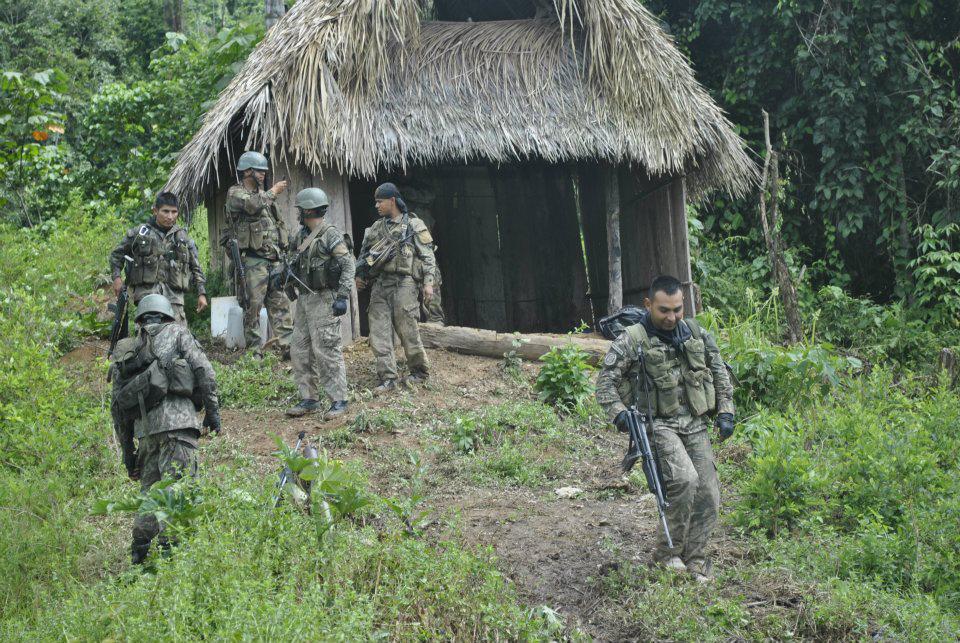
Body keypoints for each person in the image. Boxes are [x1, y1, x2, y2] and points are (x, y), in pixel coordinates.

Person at [595, 275, 735, 582]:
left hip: (695, 424)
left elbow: (720, 374)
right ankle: (667, 556)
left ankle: (695, 559)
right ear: (648, 305)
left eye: (677, 309)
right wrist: (621, 415)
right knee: (684, 481)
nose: (671, 317)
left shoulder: (696, 333)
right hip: (656, 425)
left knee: (709, 492)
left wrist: (726, 412)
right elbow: (605, 386)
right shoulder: (632, 340)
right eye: (663, 310)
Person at [109, 294, 221, 564]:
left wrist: (128, 454)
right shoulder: (178, 333)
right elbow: (205, 371)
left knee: (150, 494)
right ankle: (172, 556)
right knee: (178, 491)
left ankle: (139, 552)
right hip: (180, 428)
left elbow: (118, 409)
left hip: (146, 433)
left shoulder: (129, 348)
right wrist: (213, 414)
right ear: (168, 315)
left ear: (140, 319)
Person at [355, 182, 436, 392]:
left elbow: (428, 257)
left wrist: (428, 284)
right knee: (379, 332)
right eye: (375, 202)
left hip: (405, 283)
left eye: (380, 201)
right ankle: (387, 377)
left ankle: (419, 371)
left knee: (407, 329)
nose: (376, 206)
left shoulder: (414, 225)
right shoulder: (375, 228)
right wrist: (359, 276)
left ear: (392, 200)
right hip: (381, 284)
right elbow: (363, 258)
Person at [284, 187, 355, 419]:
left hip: (325, 298)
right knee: (299, 349)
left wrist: (343, 296)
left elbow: (347, 264)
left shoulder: (330, 235)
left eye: (301, 210)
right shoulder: (299, 236)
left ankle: (339, 400)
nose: (298, 214)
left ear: (308, 210)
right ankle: (309, 398)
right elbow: (291, 261)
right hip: (305, 299)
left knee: (327, 349)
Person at [222, 150, 293, 355]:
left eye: (264, 171)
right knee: (252, 308)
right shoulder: (236, 193)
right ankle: (255, 351)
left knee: (280, 303)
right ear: (246, 172)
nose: (262, 174)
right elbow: (252, 206)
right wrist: (272, 192)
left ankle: (287, 347)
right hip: (252, 261)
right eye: (258, 171)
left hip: (274, 260)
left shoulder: (264, 197)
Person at [109, 192, 207, 327]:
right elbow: (116, 255)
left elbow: (196, 267)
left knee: (177, 337)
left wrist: (202, 293)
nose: (170, 216)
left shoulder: (183, 238)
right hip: (147, 297)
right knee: (148, 337)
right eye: (165, 211)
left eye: (174, 212)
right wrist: (117, 278)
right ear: (155, 211)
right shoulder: (140, 233)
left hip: (174, 299)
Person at [411, 209, 445, 325]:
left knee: (433, 309)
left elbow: (428, 255)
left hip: (426, 269)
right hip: (411, 271)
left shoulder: (415, 218)